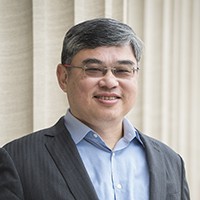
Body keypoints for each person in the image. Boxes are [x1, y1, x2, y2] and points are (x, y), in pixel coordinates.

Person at [0, 18, 190, 200]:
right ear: (63, 77)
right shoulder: (17, 160)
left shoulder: (171, 162)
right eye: (93, 69)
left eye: (122, 70)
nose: (109, 81)